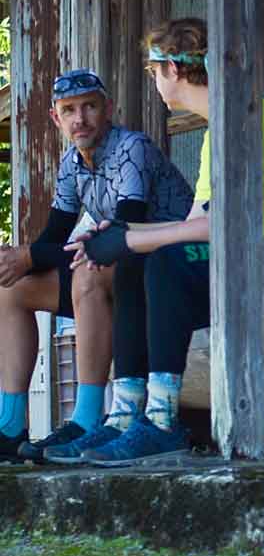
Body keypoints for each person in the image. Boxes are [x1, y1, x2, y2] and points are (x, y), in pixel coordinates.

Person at [69, 17, 264, 467]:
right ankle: (127, 414)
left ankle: (162, 421)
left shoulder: (246, 117)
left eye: (152, 71)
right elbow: (196, 223)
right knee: (136, 263)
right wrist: (119, 235)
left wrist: (130, 238)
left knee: (163, 262)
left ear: (172, 69)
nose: (154, 82)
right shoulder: (225, 123)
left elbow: (215, 229)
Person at [0, 68, 193, 464]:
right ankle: (10, 427)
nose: (80, 119)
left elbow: (124, 229)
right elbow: (54, 237)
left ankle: (86, 419)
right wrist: (19, 259)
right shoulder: (71, 163)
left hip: (171, 267)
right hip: (124, 268)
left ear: (108, 108)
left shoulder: (131, 148)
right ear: (56, 118)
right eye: (69, 110)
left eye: (89, 106)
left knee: (88, 270)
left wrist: (31, 255)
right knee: (12, 287)